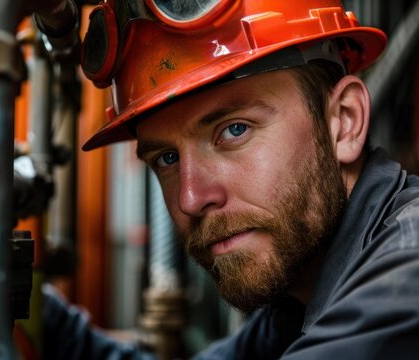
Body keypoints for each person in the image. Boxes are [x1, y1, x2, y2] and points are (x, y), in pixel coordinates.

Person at [43, 0, 419, 358]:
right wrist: (33, 309)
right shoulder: (300, 294)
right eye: (167, 158)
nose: (190, 198)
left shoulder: (405, 282)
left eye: (234, 130)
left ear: (345, 121)